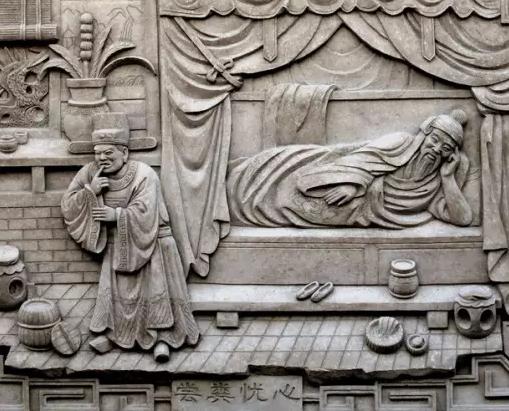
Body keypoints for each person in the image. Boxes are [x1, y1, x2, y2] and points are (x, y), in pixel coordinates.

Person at [61, 114, 199, 361]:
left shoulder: (143, 174)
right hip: (118, 244)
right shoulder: (90, 172)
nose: (102, 158)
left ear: (124, 153)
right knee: (118, 294)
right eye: (98, 153)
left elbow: (146, 211)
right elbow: (68, 204)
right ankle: (114, 335)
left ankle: (163, 339)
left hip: (152, 244)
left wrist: (116, 215)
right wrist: (90, 192)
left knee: (156, 292)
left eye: (109, 153)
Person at [227, 110, 475, 229]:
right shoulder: (400, 141)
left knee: (288, 209)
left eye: (445, 148)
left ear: (450, 154)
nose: (436, 149)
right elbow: (360, 159)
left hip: (360, 212)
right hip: (340, 181)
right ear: (425, 134)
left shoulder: (437, 181)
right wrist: (351, 184)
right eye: (435, 140)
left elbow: (463, 219)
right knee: (284, 187)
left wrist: (447, 178)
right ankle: (241, 183)